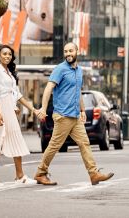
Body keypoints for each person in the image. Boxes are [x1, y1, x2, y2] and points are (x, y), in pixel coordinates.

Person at [34, 42, 114, 186]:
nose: (68, 54)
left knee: (84, 143)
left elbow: (77, 93)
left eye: (71, 51)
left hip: (75, 116)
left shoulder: (79, 71)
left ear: (77, 51)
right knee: (54, 146)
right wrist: (44, 108)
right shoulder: (60, 69)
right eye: (65, 51)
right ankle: (40, 173)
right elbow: (48, 88)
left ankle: (93, 174)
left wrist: (82, 110)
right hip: (63, 115)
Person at [0, 45, 40, 187]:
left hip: (9, 107)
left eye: (9, 54)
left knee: (13, 139)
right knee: (1, 140)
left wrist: (33, 109)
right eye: (4, 54)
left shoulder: (9, 72)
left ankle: (17, 176)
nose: (7, 56)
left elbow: (17, 95)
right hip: (2, 108)